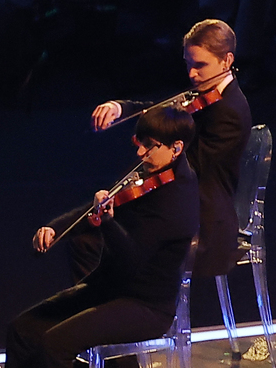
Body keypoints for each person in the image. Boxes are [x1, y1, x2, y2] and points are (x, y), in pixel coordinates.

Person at [0, 108, 199, 368]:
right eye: (138, 143)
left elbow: (132, 259)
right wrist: (57, 227)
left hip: (143, 304)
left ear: (176, 148)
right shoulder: (148, 174)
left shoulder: (178, 201)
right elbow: (99, 209)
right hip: (109, 288)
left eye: (149, 146)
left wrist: (107, 222)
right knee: (23, 328)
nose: (140, 153)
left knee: (55, 343)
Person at [91, 19, 252, 282]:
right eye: (188, 64)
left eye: (200, 65)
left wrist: (158, 152)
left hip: (201, 222)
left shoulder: (230, 111)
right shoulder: (202, 96)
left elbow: (194, 170)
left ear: (227, 61)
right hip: (179, 206)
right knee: (95, 234)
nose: (192, 74)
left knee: (99, 241)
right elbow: (159, 110)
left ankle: (128, 305)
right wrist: (121, 108)